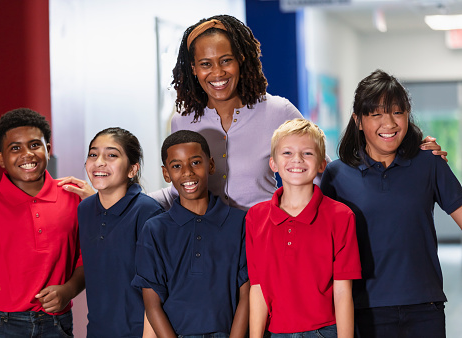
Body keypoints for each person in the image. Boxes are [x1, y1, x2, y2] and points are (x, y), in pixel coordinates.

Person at [320, 69, 462, 338]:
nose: (389, 123)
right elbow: (320, 245)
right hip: (364, 309)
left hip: (425, 307)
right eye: (376, 114)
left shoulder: (429, 163)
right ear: (358, 121)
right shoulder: (337, 175)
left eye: (398, 112)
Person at [148, 14, 309, 211]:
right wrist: (127, 200)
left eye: (225, 61)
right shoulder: (182, 121)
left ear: (240, 59)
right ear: (194, 68)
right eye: (206, 64)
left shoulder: (278, 111)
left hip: (265, 234)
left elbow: (318, 173)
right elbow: (179, 189)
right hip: (208, 237)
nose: (217, 73)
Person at [0, 108, 84, 338]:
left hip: (56, 324)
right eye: (16, 148)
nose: (27, 154)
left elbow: (88, 261)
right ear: (1, 159)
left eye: (35, 145)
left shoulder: (74, 199)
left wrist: (68, 290)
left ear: (48, 149)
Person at [246, 119, 361, 338]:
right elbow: (257, 288)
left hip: (325, 331)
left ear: (321, 164)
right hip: (275, 332)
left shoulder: (341, 216)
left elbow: (343, 291)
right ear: (273, 163)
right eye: (287, 153)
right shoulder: (255, 218)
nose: (296, 159)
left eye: (307, 153)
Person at [132, 130, 249, 337]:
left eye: (195, 162)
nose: (187, 172)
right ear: (166, 173)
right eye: (177, 166)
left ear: (211, 165)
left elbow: (246, 295)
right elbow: (152, 305)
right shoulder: (155, 229)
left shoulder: (239, 222)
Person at [77, 127, 163, 337]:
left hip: (139, 333)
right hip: (97, 331)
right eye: (93, 154)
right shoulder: (85, 209)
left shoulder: (148, 212)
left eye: (112, 155)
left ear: (132, 170)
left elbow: (158, 289)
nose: (99, 161)